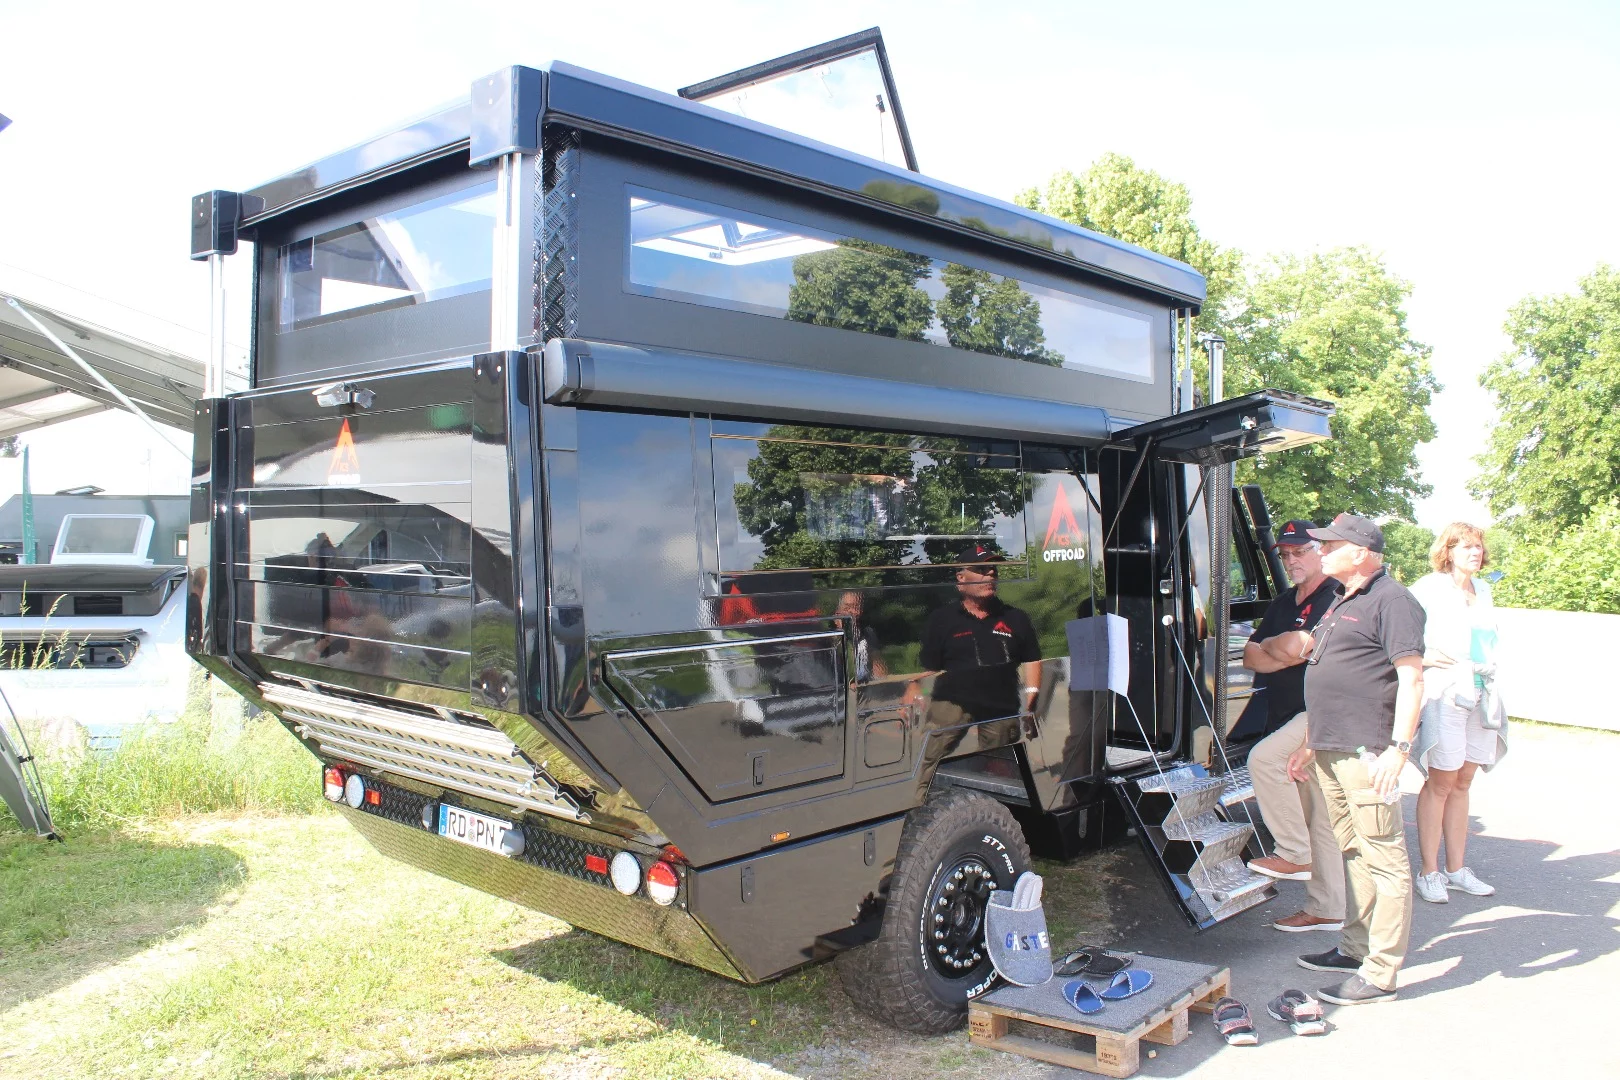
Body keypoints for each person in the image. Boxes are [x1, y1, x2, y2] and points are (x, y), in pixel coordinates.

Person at [1286, 513, 1425, 1006]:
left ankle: (1381, 973)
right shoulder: (1344, 598)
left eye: (1331, 546)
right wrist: (1310, 741)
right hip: (1332, 746)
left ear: (1362, 552)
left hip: (1368, 751)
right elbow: (1332, 676)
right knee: (1352, 849)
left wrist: (1398, 751)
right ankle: (1354, 949)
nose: (1321, 552)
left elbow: (1412, 680)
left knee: (1384, 858)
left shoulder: (1394, 601)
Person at [1238, 520, 1346, 934]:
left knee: (1263, 760)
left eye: (1300, 552)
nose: (1292, 560)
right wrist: (1281, 647)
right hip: (1284, 714)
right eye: (1286, 554)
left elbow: (1305, 646)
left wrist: (1281, 647)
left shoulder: (1335, 595)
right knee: (1316, 815)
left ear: (1320, 552)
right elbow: (1251, 656)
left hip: (1317, 712)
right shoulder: (1284, 601)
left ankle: (1293, 854)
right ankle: (1328, 908)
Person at [1409, 523, 1508, 904]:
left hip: (1482, 690)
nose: (1475, 552)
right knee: (1441, 780)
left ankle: (1456, 868)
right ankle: (1429, 872)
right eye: (1466, 546)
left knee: (1464, 780)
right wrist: (1423, 655)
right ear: (1447, 551)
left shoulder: (1483, 589)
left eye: (1478, 546)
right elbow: (1398, 628)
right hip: (1447, 691)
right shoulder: (1429, 587)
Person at [916, 544, 1041, 792]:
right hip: (952, 700)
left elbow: (1032, 659)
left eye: (993, 570)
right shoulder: (942, 618)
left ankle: (991, 804)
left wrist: (1030, 702)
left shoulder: (1015, 617)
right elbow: (927, 665)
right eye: (981, 570)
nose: (991, 574)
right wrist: (914, 691)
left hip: (1000, 704)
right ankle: (918, 799)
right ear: (961, 578)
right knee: (929, 756)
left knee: (1000, 763)